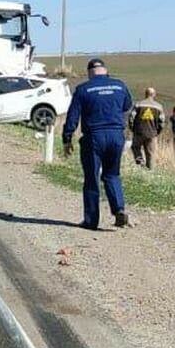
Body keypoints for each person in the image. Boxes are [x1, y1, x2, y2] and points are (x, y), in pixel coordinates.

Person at [62, 58, 133, 230]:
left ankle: (91, 220)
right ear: (105, 70)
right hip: (117, 136)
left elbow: (73, 117)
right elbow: (127, 106)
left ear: (89, 73)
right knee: (112, 174)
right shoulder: (120, 85)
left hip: (94, 137)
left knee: (91, 177)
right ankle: (119, 209)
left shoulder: (83, 89)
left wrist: (67, 138)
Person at [129, 87, 165, 169]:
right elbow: (162, 122)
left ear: (145, 94)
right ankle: (150, 172)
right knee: (151, 154)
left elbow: (131, 117)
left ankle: (141, 164)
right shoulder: (159, 107)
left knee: (135, 147)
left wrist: (132, 128)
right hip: (152, 133)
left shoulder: (138, 104)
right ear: (154, 95)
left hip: (139, 132)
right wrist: (157, 132)